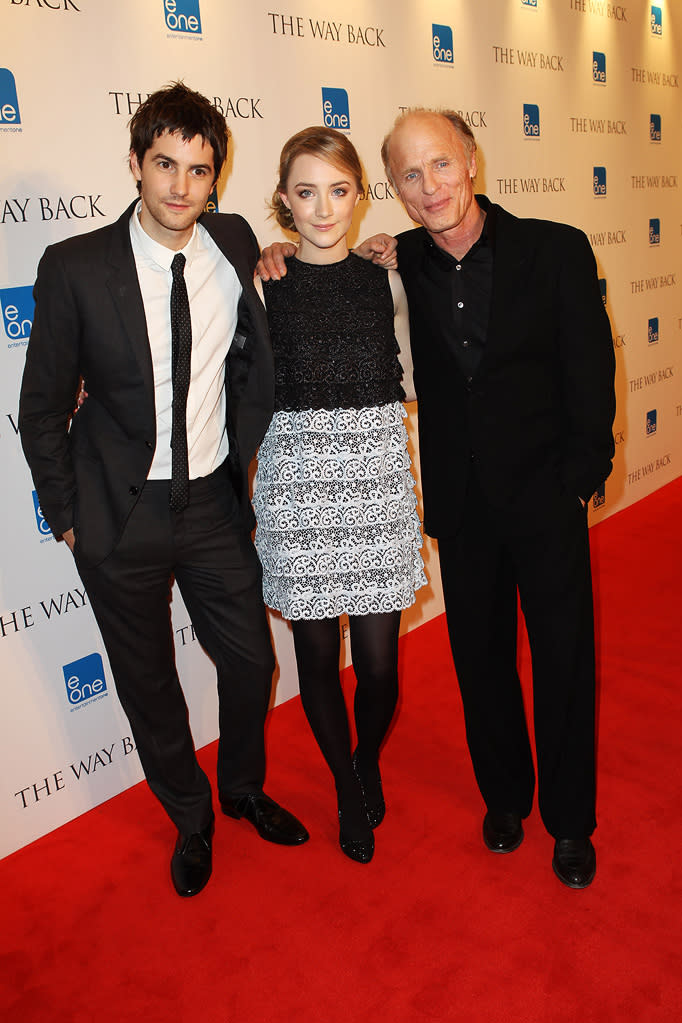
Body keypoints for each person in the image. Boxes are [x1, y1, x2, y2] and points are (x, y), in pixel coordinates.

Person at [259, 109, 616, 889]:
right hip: (460, 502)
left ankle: (569, 821)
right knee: (479, 662)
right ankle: (505, 798)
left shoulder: (555, 248)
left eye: (442, 166)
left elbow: (590, 370)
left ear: (472, 160)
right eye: (411, 176)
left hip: (547, 495)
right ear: (394, 189)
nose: (431, 187)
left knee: (563, 660)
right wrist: (275, 248)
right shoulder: (398, 262)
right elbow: (322, 270)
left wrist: (583, 474)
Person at [19, 82, 308, 899]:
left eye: (200, 169)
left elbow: (255, 343)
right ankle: (191, 816)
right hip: (119, 516)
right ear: (137, 165)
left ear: (218, 176)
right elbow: (40, 407)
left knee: (251, 662)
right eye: (165, 165)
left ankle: (243, 787)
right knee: (150, 684)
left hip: (212, 502)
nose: (182, 186)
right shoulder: (75, 267)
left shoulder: (233, 237)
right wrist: (70, 519)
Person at [253, 126, 426, 863]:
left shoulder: (385, 275)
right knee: (318, 656)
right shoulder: (267, 280)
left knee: (381, 666)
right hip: (299, 487)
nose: (324, 208)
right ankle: (347, 788)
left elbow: (413, 379)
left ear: (360, 194)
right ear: (284, 201)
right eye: (305, 191)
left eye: (339, 189)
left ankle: (367, 757)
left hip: (379, 479)